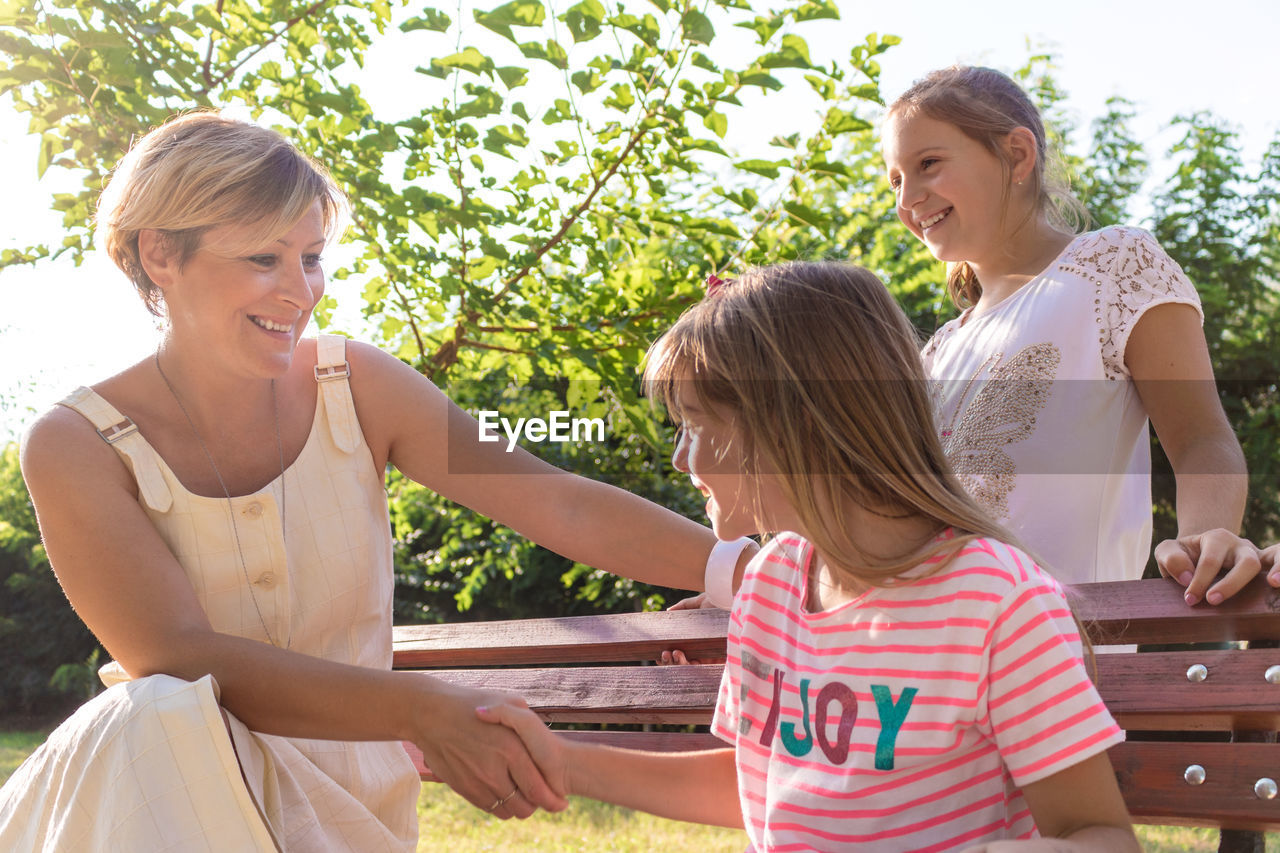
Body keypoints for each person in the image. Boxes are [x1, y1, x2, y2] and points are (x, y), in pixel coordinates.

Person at [0, 111, 748, 851]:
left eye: (313, 256)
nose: (301, 291)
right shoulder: (75, 445)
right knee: (156, 708)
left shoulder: (354, 383)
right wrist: (419, 708)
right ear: (161, 254)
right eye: (264, 259)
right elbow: (181, 654)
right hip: (167, 800)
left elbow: (555, 500)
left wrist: (751, 568)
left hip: (349, 817)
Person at [477, 261, 1141, 852]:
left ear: (794, 424)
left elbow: (1101, 835)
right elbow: (761, 779)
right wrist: (564, 761)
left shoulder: (997, 604)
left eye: (697, 426)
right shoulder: (771, 579)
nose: (682, 459)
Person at [882, 65, 1267, 604]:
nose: (908, 199)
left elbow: (1202, 436)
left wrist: (1205, 537)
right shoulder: (937, 351)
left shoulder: (1111, 267)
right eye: (896, 180)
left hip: (1068, 657)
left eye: (928, 164)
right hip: (938, 657)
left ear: (1017, 155)